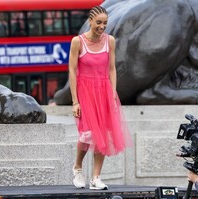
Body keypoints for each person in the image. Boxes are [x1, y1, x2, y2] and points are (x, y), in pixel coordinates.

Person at [69, 6, 132, 190]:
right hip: (85, 91)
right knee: (87, 134)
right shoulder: (77, 42)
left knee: (102, 136)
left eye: (105, 23)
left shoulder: (110, 41)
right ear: (90, 21)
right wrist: (75, 101)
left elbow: (112, 69)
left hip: (104, 91)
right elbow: (72, 71)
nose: (102, 26)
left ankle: (96, 177)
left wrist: (113, 94)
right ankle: (77, 167)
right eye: (98, 23)